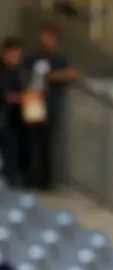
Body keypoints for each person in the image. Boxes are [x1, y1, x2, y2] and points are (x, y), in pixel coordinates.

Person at [22, 25, 76, 190]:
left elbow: (71, 72)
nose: (46, 40)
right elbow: (23, 74)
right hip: (33, 104)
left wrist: (53, 76)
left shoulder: (59, 59)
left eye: (50, 38)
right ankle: (29, 177)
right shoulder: (32, 57)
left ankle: (46, 180)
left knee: (48, 142)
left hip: (51, 105)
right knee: (31, 141)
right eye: (44, 37)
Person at [0, 38, 30, 188]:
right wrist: (26, 97)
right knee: (9, 152)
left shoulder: (20, 72)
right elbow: (7, 96)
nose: (17, 56)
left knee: (16, 153)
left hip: (17, 120)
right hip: (4, 119)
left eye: (19, 53)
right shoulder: (3, 72)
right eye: (13, 53)